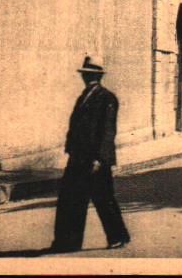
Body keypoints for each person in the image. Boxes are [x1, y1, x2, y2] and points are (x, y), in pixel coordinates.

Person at [50, 55, 130, 253]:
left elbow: (107, 131)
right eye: (85, 74)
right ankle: (68, 242)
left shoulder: (107, 98)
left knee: (104, 199)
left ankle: (118, 236)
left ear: (96, 76)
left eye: (89, 74)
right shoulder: (83, 96)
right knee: (70, 199)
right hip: (78, 158)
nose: (85, 77)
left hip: (95, 160)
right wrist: (70, 149)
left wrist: (100, 159)